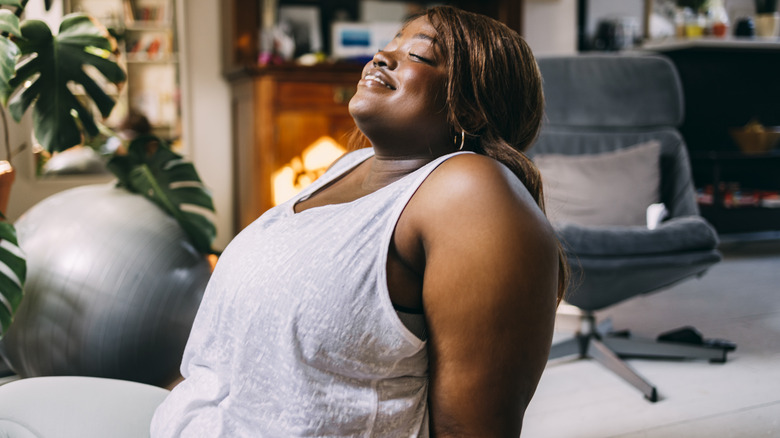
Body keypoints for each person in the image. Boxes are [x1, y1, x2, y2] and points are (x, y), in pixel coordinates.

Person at [151, 5, 567, 437]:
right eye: (389, 45)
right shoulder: (349, 165)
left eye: (419, 56)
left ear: (472, 110)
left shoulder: (469, 190)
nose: (381, 57)